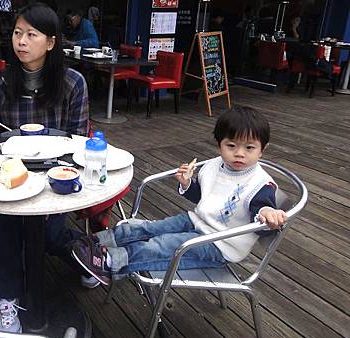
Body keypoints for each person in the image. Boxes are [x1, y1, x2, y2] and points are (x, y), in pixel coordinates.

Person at [71, 106, 287, 286]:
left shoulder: (261, 184)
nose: (239, 153)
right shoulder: (215, 165)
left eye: (249, 148)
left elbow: (262, 208)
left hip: (220, 244)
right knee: (147, 228)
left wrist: (268, 213)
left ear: (262, 149)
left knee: (162, 245)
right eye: (231, 146)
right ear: (219, 144)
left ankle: (109, 263)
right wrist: (187, 184)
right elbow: (203, 197)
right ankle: (96, 242)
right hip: (197, 221)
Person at [0, 3, 93, 333]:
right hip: (10, 177)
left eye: (31, 34)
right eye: (17, 33)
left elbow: (79, 139)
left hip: (56, 175)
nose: (21, 41)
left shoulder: (73, 83)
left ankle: (87, 255)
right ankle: (7, 301)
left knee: (50, 235)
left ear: (50, 42)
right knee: (3, 229)